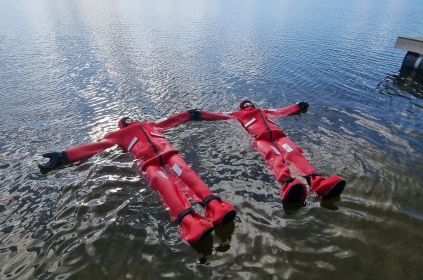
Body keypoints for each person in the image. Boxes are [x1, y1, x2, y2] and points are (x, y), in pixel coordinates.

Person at [38, 111, 236, 244]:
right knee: (164, 184)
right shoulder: (117, 136)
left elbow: (173, 120)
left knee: (185, 173)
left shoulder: (150, 125)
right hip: (150, 163)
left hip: (169, 154)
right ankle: (191, 222)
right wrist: (64, 155)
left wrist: (192, 114)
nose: (128, 120)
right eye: (125, 121)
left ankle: (216, 207)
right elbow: (96, 147)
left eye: (129, 118)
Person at [187, 100, 346, 204]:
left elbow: (281, 111)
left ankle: (318, 182)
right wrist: (200, 114)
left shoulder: (264, 111)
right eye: (244, 103)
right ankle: (288, 184)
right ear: (241, 107)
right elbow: (219, 116)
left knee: (294, 153)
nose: (247, 103)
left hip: (279, 137)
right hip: (260, 139)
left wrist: (298, 106)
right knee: (274, 156)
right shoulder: (237, 115)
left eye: (249, 102)